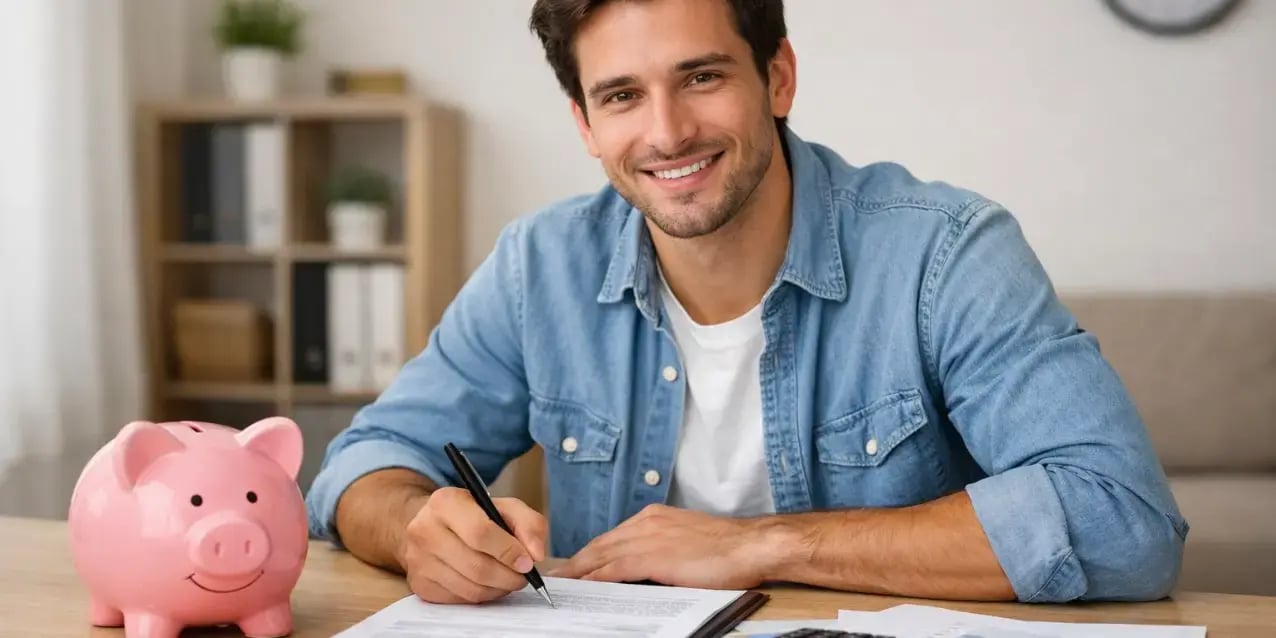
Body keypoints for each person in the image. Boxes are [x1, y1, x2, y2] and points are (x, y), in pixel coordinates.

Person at [305, 0, 1188, 606]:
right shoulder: (538, 269)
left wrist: (762, 543)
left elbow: (1122, 517)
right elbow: (363, 465)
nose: (667, 133)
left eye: (701, 77)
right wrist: (417, 527)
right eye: (622, 96)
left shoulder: (946, 253)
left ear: (778, 77)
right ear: (585, 124)